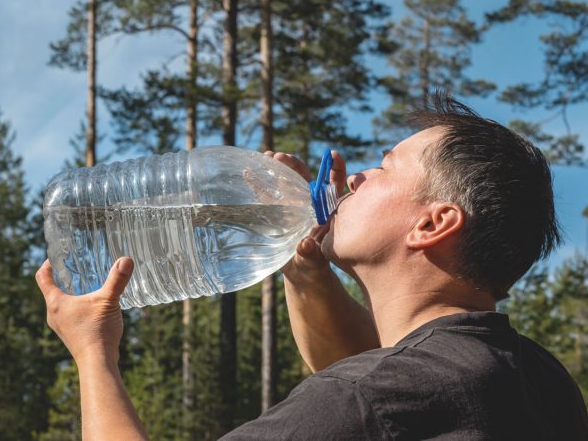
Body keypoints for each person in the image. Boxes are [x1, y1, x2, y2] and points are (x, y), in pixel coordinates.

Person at [35, 93, 588, 440]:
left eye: (385, 168)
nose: (355, 178)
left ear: (432, 225)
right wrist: (305, 265)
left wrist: (92, 352)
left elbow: (369, 393)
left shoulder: (371, 397)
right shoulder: (539, 381)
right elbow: (379, 378)